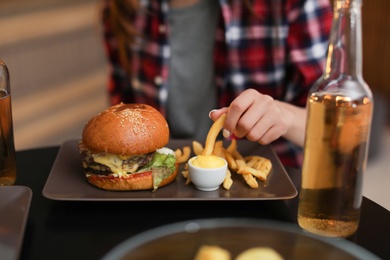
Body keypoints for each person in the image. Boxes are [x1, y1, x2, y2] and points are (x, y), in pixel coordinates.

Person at [101, 0, 332, 168]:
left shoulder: (296, 4)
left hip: (270, 189)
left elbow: (335, 130)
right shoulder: (122, 8)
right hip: (164, 188)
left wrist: (286, 116)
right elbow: (122, 110)